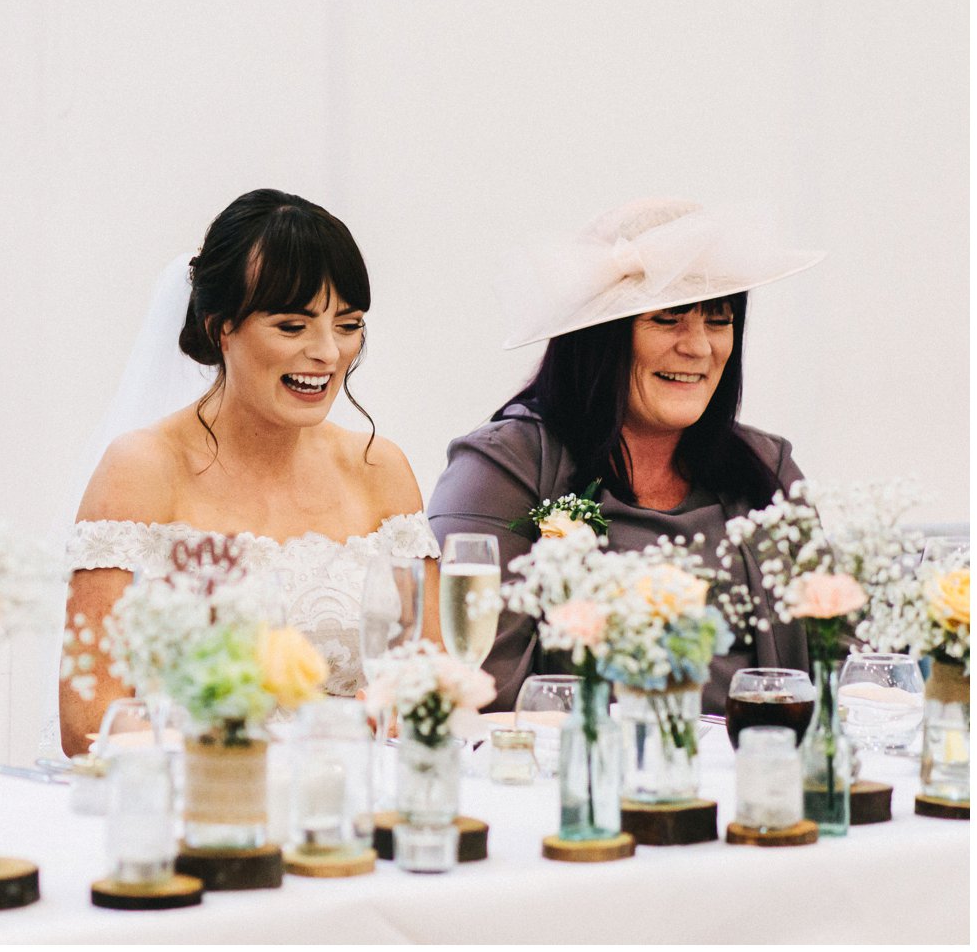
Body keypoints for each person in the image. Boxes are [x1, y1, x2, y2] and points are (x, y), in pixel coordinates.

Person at [60, 190, 436, 755]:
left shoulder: (379, 468)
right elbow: (88, 722)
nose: (329, 353)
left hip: (352, 812)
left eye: (348, 324)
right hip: (199, 808)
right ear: (221, 328)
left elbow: (433, 684)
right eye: (292, 326)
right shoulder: (142, 470)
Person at [426, 198, 821, 713]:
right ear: (600, 339)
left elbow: (838, 659)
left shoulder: (768, 467)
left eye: (719, 320)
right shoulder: (501, 469)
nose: (699, 347)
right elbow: (482, 686)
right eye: (668, 319)